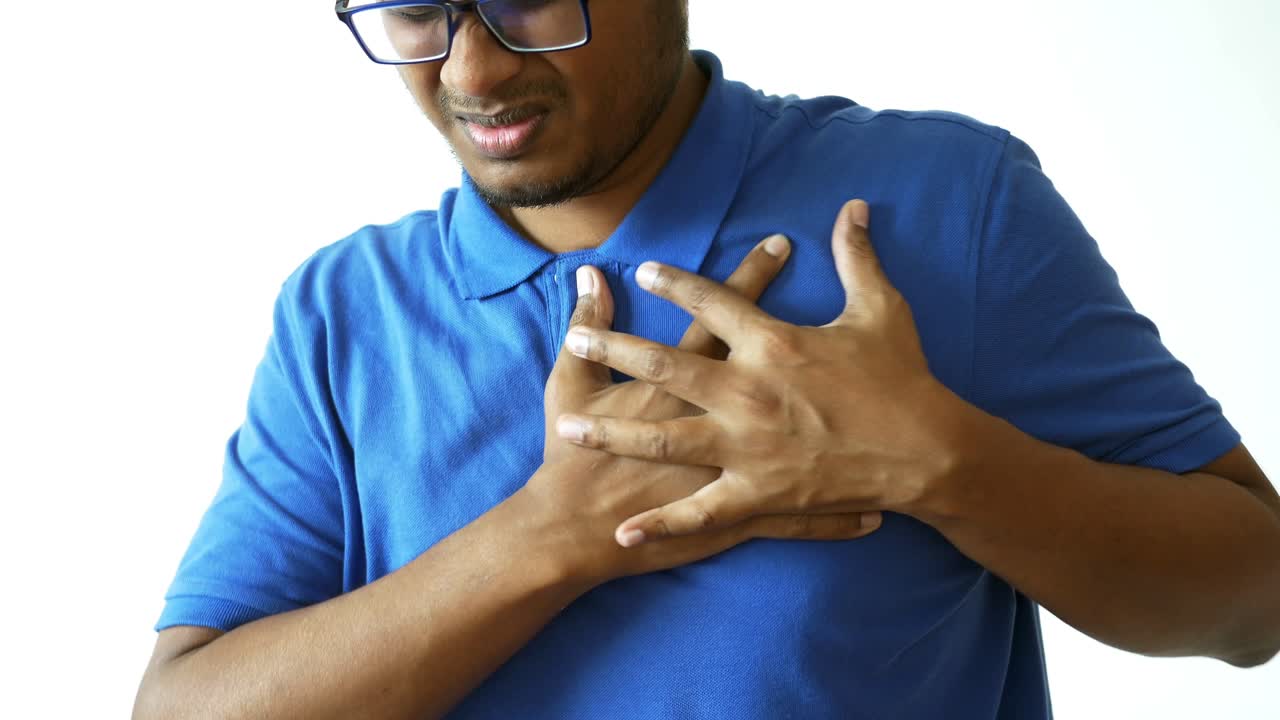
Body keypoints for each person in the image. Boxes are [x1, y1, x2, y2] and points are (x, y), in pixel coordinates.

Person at [132, 1, 1280, 718]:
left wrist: (941, 463)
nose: (471, 70)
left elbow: (1254, 603)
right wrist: (549, 537)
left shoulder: (941, 207)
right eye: (417, 8)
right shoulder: (344, 309)